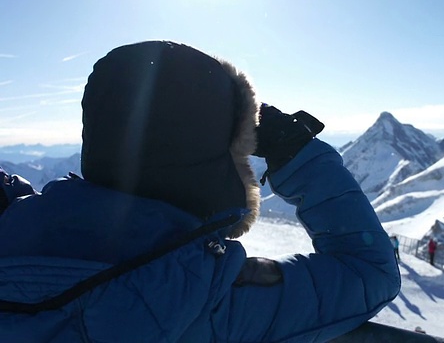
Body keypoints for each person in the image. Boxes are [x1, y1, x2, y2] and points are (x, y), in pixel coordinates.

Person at [0, 41, 401, 342]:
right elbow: (368, 271)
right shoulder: (210, 296)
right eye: (238, 150)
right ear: (208, 163)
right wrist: (296, 151)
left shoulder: (13, 232)